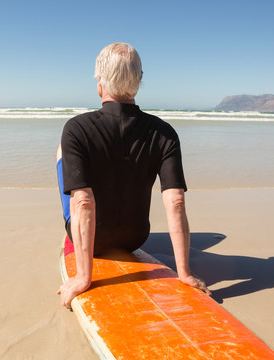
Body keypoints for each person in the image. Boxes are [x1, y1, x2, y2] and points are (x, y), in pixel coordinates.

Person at [56, 42, 210, 308]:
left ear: (100, 82)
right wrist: (184, 273)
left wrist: (84, 277)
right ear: (138, 81)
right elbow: (176, 202)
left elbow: (82, 201)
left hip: (92, 243)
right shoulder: (165, 133)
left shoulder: (76, 128)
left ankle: (81, 246)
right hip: (136, 237)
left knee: (63, 152)